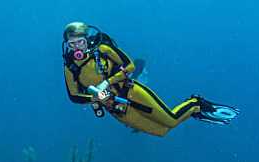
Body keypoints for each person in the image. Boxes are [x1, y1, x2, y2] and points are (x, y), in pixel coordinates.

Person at [62, 22, 239, 136]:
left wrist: (107, 82)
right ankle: (194, 110)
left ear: (87, 40)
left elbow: (130, 66)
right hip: (116, 107)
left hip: (131, 91)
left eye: (80, 42)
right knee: (161, 131)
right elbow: (73, 96)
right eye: (72, 44)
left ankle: (195, 104)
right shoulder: (70, 67)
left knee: (170, 120)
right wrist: (97, 97)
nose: (77, 47)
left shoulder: (102, 50)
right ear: (67, 45)